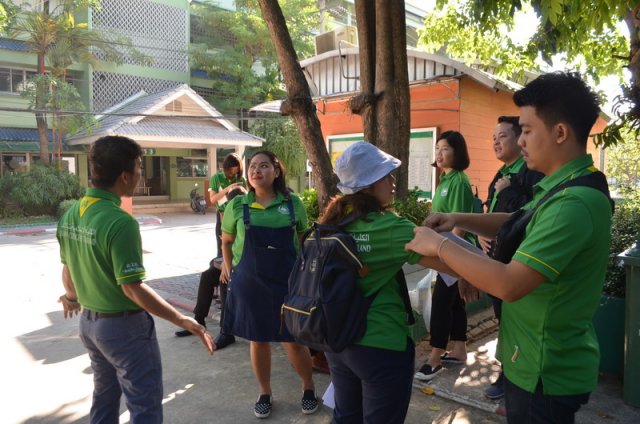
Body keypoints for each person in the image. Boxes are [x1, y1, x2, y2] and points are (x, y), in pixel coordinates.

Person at [406, 72, 612, 423]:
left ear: (560, 133)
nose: (521, 140)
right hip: (531, 357)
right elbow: (516, 219)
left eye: (527, 130)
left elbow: (508, 283)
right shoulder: (562, 187)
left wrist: (440, 245)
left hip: (544, 369)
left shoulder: (573, 203)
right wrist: (456, 218)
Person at [56, 135, 214, 424]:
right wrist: (182, 319)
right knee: (145, 404)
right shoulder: (119, 222)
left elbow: (68, 270)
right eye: (140, 168)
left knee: (104, 397)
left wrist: (71, 297)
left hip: (90, 325)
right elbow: (132, 288)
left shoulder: (70, 215)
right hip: (123, 328)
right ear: (125, 176)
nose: (141, 175)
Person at [321, 141, 440, 423]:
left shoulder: (333, 220)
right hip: (380, 345)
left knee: (346, 417)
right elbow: (450, 263)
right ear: (368, 185)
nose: (393, 181)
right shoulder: (389, 227)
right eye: (386, 175)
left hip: (337, 340)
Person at [220, 150, 317, 419]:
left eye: (263, 166)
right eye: (252, 167)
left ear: (276, 171)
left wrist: (305, 278)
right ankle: (264, 392)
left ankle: (308, 388)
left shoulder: (292, 203)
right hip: (250, 284)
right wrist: (229, 267)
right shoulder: (237, 206)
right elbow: (226, 240)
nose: (256, 171)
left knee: (293, 340)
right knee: (258, 339)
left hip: (287, 283)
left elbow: (302, 241)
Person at [479, 116, 544, 400]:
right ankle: (509, 369)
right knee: (502, 317)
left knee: (515, 318)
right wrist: (481, 233)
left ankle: (514, 374)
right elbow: (489, 210)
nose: (496, 141)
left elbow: (530, 215)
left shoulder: (530, 174)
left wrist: (510, 190)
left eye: (502, 136)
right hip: (494, 257)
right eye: (493, 137)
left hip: (517, 262)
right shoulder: (500, 173)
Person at [414, 130, 477, 382]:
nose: (439, 154)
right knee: (454, 301)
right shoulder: (445, 180)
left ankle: (435, 358)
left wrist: (454, 259)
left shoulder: (459, 180)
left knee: (441, 302)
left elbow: (459, 223)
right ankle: (459, 349)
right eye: (437, 149)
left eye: (446, 149)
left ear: (457, 152)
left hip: (453, 251)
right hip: (444, 250)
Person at [175, 186, 247, 350]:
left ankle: (227, 331)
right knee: (208, 275)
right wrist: (224, 265)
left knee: (224, 280)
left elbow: (240, 245)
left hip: (243, 263)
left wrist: (227, 267)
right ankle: (198, 320)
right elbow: (225, 243)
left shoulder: (248, 213)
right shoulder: (230, 212)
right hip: (231, 261)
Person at [209, 153, 246, 256]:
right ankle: (222, 269)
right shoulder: (217, 178)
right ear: (227, 167)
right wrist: (228, 188)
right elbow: (212, 199)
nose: (234, 172)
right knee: (222, 246)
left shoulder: (240, 179)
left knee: (238, 245)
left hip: (238, 215)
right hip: (222, 214)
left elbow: (246, 198)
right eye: (232, 169)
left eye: (237, 169)